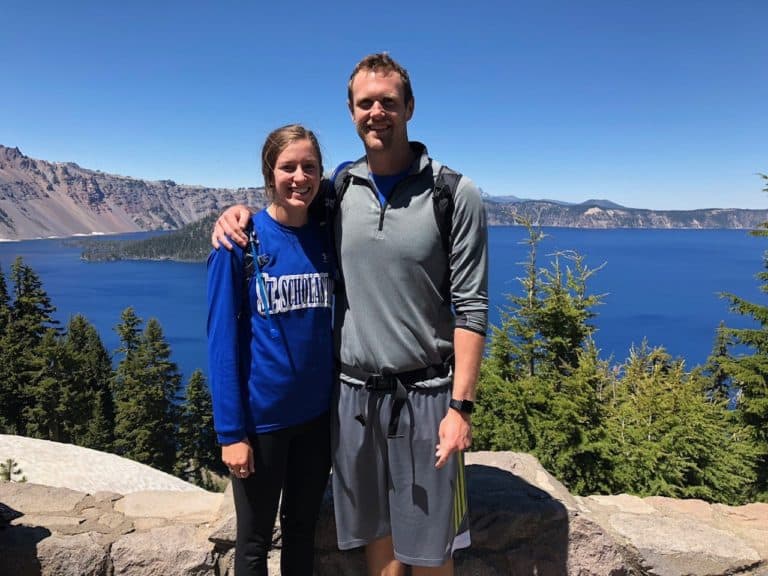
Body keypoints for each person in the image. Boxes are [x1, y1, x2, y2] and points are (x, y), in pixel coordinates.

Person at [212, 53, 488, 576]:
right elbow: (286, 210)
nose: (377, 112)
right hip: (353, 400)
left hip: (427, 397)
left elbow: (471, 307)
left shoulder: (454, 193)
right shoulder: (340, 190)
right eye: (366, 103)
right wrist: (234, 212)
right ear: (351, 111)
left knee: (433, 554)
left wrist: (461, 408)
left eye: (388, 101)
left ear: (409, 106)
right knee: (377, 547)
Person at [207, 124, 334, 576]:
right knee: (255, 542)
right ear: (269, 173)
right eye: (288, 167)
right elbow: (222, 342)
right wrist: (230, 434)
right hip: (262, 425)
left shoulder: (327, 238)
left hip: (317, 421)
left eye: (310, 167)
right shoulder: (240, 242)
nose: (299, 177)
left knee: (302, 532)